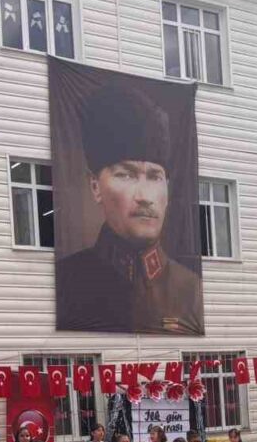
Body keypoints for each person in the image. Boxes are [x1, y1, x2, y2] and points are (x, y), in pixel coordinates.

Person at [55, 80, 204, 336]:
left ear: (167, 188)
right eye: (126, 175)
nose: (145, 196)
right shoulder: (67, 282)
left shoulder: (191, 290)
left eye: (155, 177)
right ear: (95, 186)